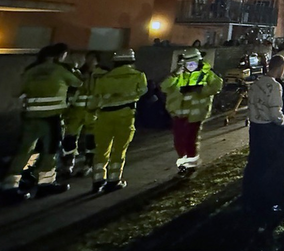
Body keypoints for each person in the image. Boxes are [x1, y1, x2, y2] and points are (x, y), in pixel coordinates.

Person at [0, 44, 81, 203]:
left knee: (24, 150)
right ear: (58, 56)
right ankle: (46, 184)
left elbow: (16, 92)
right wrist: (72, 69)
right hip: (51, 119)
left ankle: (10, 186)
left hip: (30, 118)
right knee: (50, 151)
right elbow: (78, 83)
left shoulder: (31, 71)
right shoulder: (60, 70)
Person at [89, 50, 147, 193]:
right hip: (125, 115)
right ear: (132, 61)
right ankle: (113, 180)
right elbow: (143, 92)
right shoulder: (138, 76)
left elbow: (95, 99)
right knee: (119, 149)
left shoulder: (104, 78)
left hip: (104, 116)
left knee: (101, 149)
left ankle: (98, 180)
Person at [161, 47, 223, 173]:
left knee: (190, 140)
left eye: (193, 63)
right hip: (179, 113)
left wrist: (200, 90)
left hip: (196, 114)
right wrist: (174, 75)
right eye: (187, 63)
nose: (190, 66)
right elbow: (164, 87)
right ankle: (183, 163)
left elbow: (217, 86)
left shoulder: (206, 73)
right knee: (178, 141)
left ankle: (190, 166)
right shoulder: (178, 73)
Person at [243, 55, 284, 214]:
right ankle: (270, 199)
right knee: (271, 165)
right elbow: (275, 111)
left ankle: (251, 196)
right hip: (269, 129)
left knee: (256, 162)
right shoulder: (274, 86)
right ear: (280, 67)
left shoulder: (256, 83)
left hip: (255, 127)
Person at [60, 51, 106, 178]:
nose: (89, 61)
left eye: (91, 58)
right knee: (70, 139)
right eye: (88, 58)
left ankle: (88, 164)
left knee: (91, 140)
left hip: (93, 112)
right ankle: (68, 165)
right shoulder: (79, 74)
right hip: (77, 111)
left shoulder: (102, 75)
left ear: (97, 60)